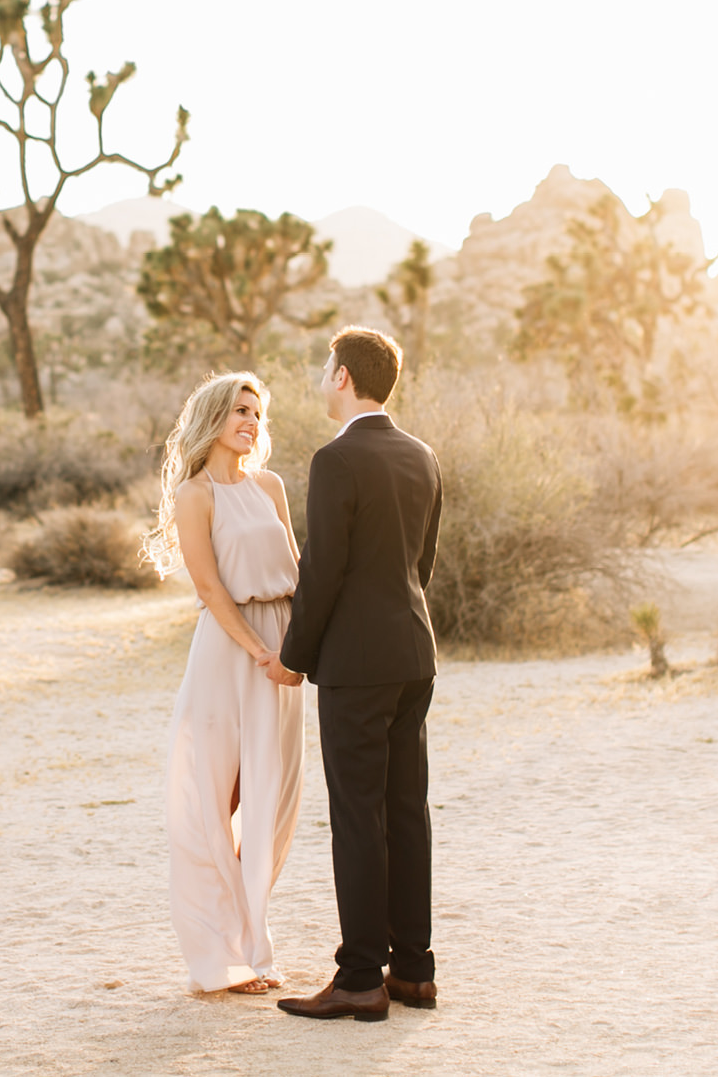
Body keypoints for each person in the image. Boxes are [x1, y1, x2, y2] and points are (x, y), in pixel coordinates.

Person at [276, 326, 443, 1022]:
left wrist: (293, 657)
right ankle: (413, 970)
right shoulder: (423, 455)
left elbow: (323, 570)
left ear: (343, 377)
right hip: (413, 654)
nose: (322, 377)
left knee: (357, 817)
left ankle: (358, 978)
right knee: (406, 811)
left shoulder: (336, 459)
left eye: (325, 368)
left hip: (356, 665)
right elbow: (421, 562)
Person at [145, 371, 306, 995]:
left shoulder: (270, 485)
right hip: (230, 651)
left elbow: (297, 569)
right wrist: (260, 650)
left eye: (258, 413)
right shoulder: (196, 494)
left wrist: (293, 649)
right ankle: (222, 958)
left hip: (282, 653)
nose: (251, 422)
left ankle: (249, 938)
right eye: (241, 410)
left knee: (273, 800)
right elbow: (209, 589)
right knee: (220, 799)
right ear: (213, 417)